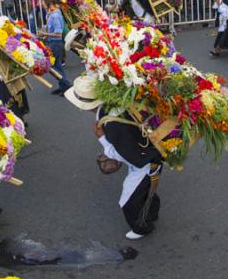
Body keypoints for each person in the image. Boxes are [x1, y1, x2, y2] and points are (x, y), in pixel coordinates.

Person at [66, 75, 163, 240]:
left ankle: (142, 228)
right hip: (148, 152)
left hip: (146, 161)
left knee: (129, 199)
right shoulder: (111, 105)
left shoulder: (110, 123)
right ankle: (151, 213)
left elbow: (125, 155)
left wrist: (101, 138)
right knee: (144, 189)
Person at [41, 0, 71, 96]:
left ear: (48, 2)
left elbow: (58, 34)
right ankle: (63, 86)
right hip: (53, 42)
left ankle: (67, 86)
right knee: (57, 66)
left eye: (43, 2)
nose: (42, 4)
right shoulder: (52, 12)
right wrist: (46, 35)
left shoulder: (55, 15)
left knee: (54, 67)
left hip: (56, 43)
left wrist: (45, 33)